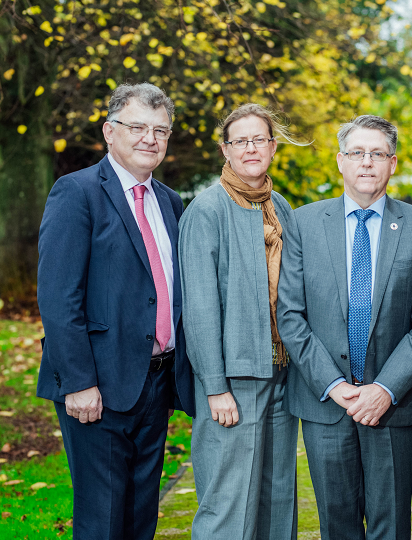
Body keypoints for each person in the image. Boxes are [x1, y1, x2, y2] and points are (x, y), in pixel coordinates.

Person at [37, 82, 195, 539]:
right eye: (138, 127)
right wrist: (79, 382)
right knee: (102, 519)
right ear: (109, 131)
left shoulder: (169, 202)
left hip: (157, 381)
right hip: (98, 388)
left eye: (161, 130)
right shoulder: (76, 192)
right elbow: (58, 298)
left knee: (141, 515)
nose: (150, 138)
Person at [277, 115, 412, 540]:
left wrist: (384, 389)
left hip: (394, 403)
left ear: (393, 164)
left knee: (391, 526)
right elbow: (290, 316)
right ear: (340, 161)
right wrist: (334, 385)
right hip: (325, 404)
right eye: (356, 153)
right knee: (337, 525)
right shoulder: (303, 223)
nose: (366, 162)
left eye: (377, 154)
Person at [178, 103, 302, 539]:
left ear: (273, 146)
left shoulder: (281, 207)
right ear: (225, 150)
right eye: (240, 141)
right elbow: (199, 308)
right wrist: (215, 387)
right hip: (233, 380)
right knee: (229, 502)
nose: (251, 148)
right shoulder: (206, 211)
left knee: (277, 496)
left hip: (282, 373)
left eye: (259, 139)